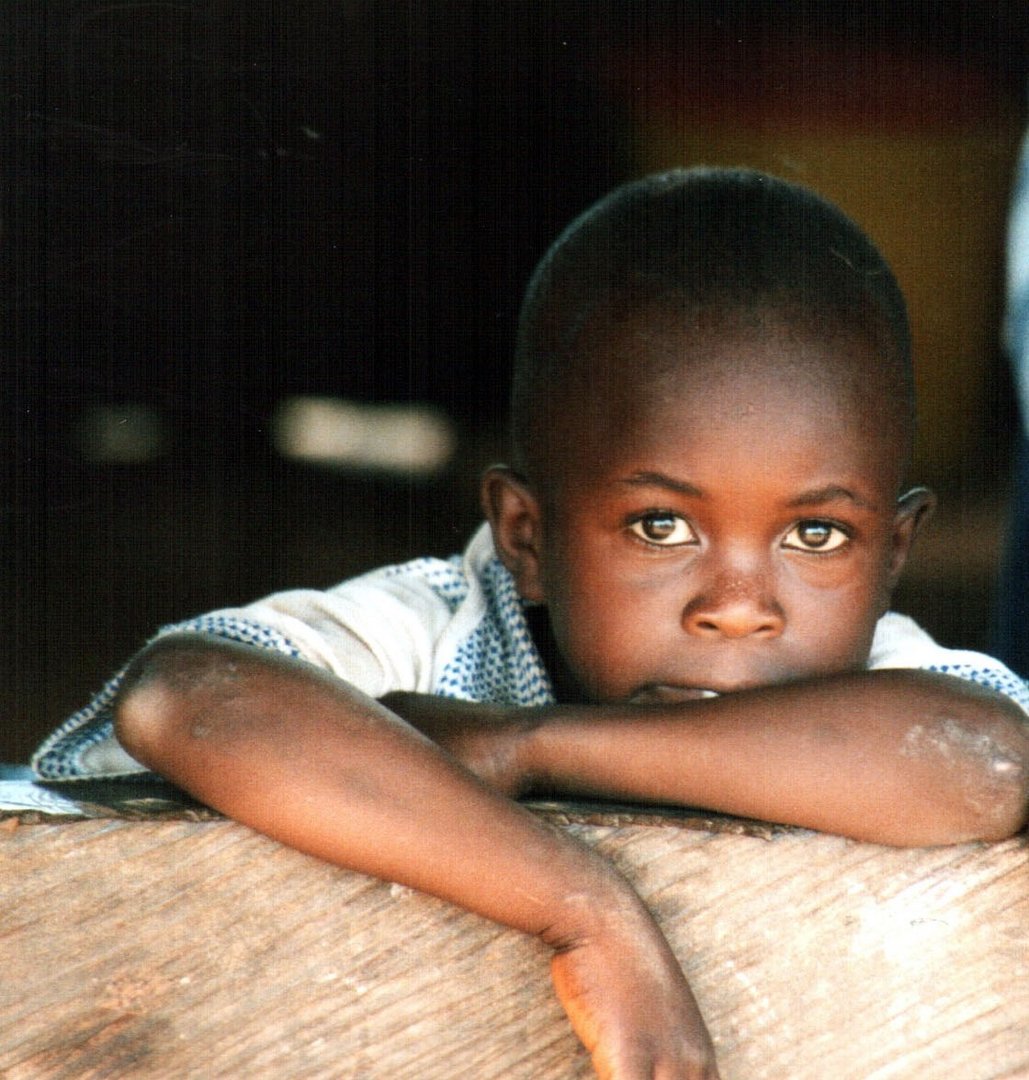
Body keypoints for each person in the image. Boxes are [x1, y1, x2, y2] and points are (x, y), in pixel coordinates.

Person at [33, 168, 1029, 1080]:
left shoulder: (874, 678)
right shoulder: (431, 627)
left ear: (893, 552)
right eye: (660, 525)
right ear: (526, 534)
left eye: (816, 534)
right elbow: (186, 696)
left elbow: (991, 765)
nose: (740, 604)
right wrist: (589, 914)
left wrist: (529, 746)